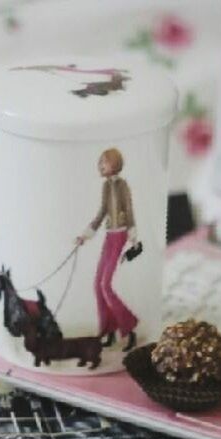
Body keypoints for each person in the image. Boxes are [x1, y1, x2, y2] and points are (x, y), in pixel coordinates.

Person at [75, 148, 138, 351]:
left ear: (114, 163)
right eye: (99, 162)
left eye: (104, 162)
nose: (100, 166)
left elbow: (128, 209)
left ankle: (129, 327)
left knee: (105, 285)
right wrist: (86, 234)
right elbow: (102, 212)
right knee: (97, 285)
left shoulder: (122, 185)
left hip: (119, 235)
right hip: (108, 234)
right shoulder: (105, 186)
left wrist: (132, 235)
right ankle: (107, 329)